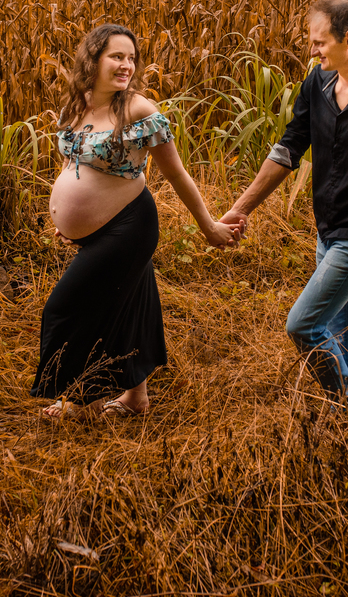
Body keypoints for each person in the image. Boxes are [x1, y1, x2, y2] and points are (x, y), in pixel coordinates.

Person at [220, 0, 348, 413]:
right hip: (327, 227)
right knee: (345, 325)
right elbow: (288, 148)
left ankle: (346, 402)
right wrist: (242, 207)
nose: (313, 51)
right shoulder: (318, 84)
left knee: (302, 325)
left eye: (319, 43)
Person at [34, 23, 237, 420]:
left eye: (131, 58)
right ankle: (135, 398)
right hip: (94, 229)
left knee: (66, 308)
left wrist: (209, 226)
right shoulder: (77, 105)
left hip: (129, 225)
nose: (126, 65)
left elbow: (177, 174)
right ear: (93, 60)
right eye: (116, 56)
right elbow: (71, 161)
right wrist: (68, 217)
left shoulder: (139, 110)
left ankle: (83, 400)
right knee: (130, 305)